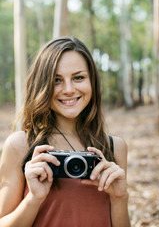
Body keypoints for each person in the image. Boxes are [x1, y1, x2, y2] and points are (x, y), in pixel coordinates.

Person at [0, 37, 130, 227]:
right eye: (56, 80)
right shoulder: (21, 145)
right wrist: (33, 199)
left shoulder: (114, 147)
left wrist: (120, 197)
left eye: (78, 77)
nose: (68, 89)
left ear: (92, 82)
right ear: (42, 85)